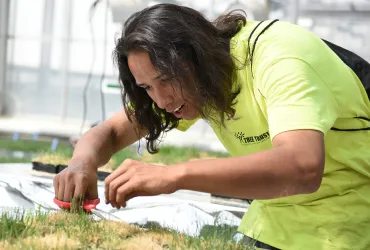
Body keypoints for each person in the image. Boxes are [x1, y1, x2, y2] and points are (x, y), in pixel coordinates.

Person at [53, 3, 370, 250]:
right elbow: (108, 132)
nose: (161, 100)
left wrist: (175, 175)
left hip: (351, 222)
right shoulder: (198, 82)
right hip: (278, 220)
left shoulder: (280, 57)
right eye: (147, 87)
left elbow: (302, 166)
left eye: (165, 79)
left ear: (196, 56)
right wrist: (82, 164)